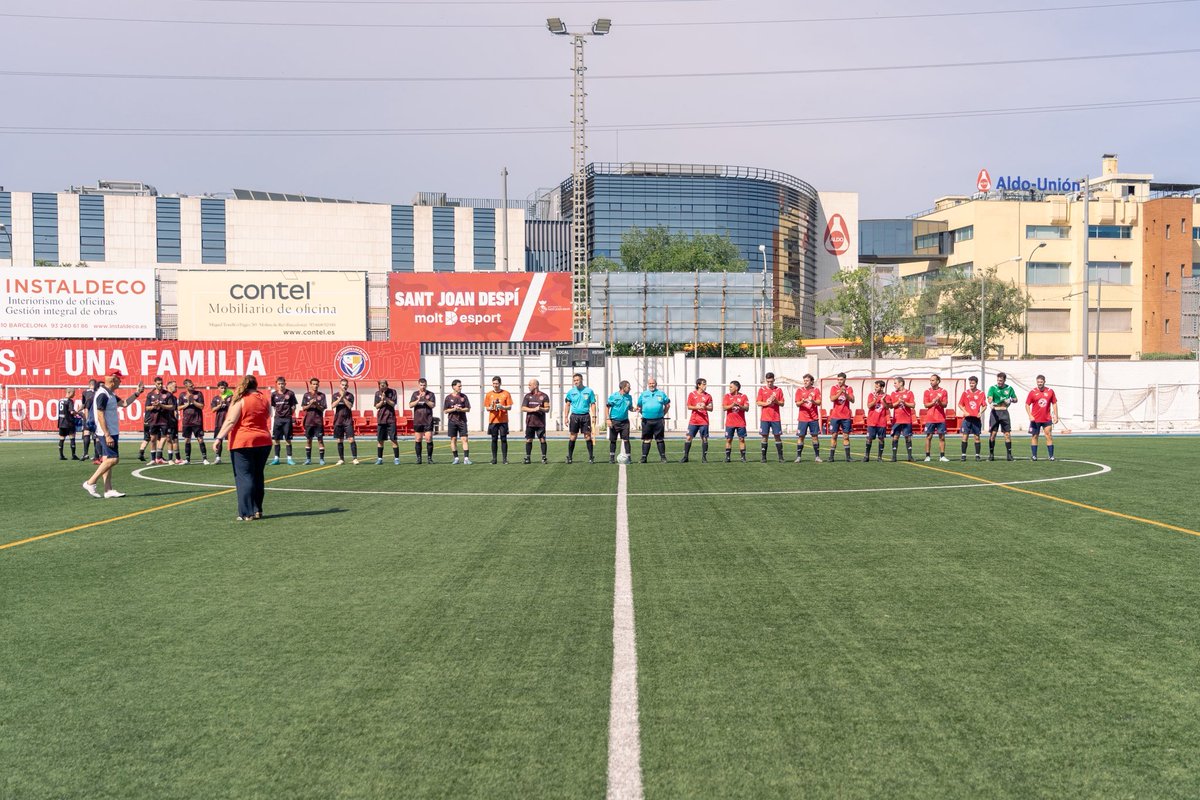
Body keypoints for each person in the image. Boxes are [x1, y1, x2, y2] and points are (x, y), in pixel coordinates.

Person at [215, 374, 273, 521]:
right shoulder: (263, 398)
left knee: (244, 477)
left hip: (243, 441)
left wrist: (219, 438)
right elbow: (268, 415)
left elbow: (230, 421)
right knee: (258, 476)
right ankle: (257, 509)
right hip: (263, 441)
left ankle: (246, 512)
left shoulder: (240, 399)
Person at [82, 371, 144, 499]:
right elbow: (100, 414)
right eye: (119, 379)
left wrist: (137, 393)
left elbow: (125, 403)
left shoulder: (110, 394)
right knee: (113, 459)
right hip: (107, 432)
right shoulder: (103, 394)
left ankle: (108, 489)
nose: (121, 382)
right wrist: (107, 434)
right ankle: (90, 482)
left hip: (112, 431)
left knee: (107, 459)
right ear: (113, 380)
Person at [636, 377, 671, 463]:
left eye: (653, 383)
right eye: (650, 383)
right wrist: (643, 414)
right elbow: (639, 407)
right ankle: (644, 458)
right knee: (647, 439)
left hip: (658, 420)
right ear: (648, 384)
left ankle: (663, 458)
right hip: (646, 421)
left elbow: (667, 405)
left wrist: (663, 414)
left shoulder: (661, 394)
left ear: (656, 384)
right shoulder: (643, 394)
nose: (652, 385)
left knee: (659, 439)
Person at [564, 373, 597, 464]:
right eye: (574, 380)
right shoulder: (571, 392)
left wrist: (594, 416)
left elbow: (593, 404)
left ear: (581, 380)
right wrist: (566, 417)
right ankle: (569, 457)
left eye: (577, 380)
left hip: (585, 416)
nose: (576, 382)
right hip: (574, 416)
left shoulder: (589, 391)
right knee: (573, 436)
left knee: (587, 436)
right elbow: (567, 405)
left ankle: (591, 457)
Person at [1025, 374, 1060, 461]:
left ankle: (1051, 456)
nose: (1039, 383)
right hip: (1035, 419)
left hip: (1047, 418)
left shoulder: (1050, 391)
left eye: (1041, 382)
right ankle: (1034, 456)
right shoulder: (1032, 392)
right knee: (1034, 436)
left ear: (1044, 382)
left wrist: (1056, 415)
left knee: (1048, 435)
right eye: (1038, 382)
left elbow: (1054, 403)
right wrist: (1030, 415)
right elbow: (1027, 404)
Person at [987, 371, 1018, 461]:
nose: (999, 382)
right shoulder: (993, 388)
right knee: (993, 434)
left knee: (1007, 434)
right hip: (995, 413)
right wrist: (991, 403)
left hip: (1004, 412)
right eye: (998, 380)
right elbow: (989, 398)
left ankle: (1009, 455)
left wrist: (1011, 400)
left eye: (1001, 380)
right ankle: (991, 454)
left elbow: (1016, 399)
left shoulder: (1009, 388)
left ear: (1004, 380)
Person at [178, 379, 210, 465]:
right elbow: (178, 407)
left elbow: (202, 406)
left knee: (200, 439)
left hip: (197, 421)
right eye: (191, 386)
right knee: (187, 440)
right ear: (186, 386)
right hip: (186, 422)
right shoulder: (182, 395)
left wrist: (193, 402)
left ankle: (205, 459)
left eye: (193, 385)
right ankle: (187, 459)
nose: (193, 386)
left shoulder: (198, 394)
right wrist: (187, 404)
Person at [681, 378, 713, 463]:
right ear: (698, 385)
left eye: (705, 384)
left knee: (704, 439)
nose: (705, 386)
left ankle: (704, 457)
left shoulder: (708, 396)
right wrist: (697, 407)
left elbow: (711, 408)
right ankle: (685, 457)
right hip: (694, 420)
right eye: (703, 384)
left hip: (704, 421)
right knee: (688, 437)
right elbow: (689, 406)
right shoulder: (692, 394)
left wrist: (705, 407)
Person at [756, 372, 786, 462]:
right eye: (768, 381)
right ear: (766, 380)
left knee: (777, 437)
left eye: (771, 381)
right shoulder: (762, 390)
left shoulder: (778, 390)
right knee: (764, 437)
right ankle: (763, 457)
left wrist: (776, 400)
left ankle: (780, 457)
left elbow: (782, 403)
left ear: (774, 380)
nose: (769, 383)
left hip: (775, 418)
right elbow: (758, 402)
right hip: (765, 418)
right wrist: (767, 403)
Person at [793, 373, 823, 463]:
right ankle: (798, 457)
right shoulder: (799, 390)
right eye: (804, 380)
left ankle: (817, 456)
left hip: (813, 418)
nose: (805, 382)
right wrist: (803, 401)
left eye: (807, 381)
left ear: (811, 382)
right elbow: (797, 404)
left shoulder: (816, 390)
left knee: (815, 437)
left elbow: (819, 402)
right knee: (801, 437)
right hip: (803, 418)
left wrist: (812, 400)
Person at [484, 376, 513, 465]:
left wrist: (503, 407)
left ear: (500, 383)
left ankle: (504, 459)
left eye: (497, 383)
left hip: (503, 420)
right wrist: (492, 407)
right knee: (494, 439)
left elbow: (510, 407)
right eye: (494, 383)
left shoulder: (506, 393)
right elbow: (487, 408)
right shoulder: (489, 394)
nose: (495, 385)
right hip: (493, 420)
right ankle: (494, 459)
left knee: (504, 439)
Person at [270, 376, 298, 466]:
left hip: (287, 419)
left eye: (282, 384)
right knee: (276, 439)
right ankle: (276, 458)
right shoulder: (274, 394)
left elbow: (294, 406)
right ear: (276, 384)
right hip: (277, 419)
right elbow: (274, 406)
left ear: (285, 384)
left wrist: (289, 413)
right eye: (279, 384)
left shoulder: (290, 393)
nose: (281, 385)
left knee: (288, 439)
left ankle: (289, 458)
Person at [887, 376, 916, 462]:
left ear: (901, 383)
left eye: (895, 383)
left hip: (907, 419)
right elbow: (891, 406)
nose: (894, 385)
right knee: (895, 437)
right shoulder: (893, 393)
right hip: (897, 420)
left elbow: (913, 405)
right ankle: (894, 456)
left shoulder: (909, 393)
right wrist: (898, 402)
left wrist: (904, 402)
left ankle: (910, 456)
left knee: (908, 437)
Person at [521, 379, 551, 464]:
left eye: (530, 385)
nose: (528, 386)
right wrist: (534, 409)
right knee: (529, 440)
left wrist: (540, 408)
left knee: (542, 439)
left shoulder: (544, 396)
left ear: (535, 385)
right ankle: (528, 458)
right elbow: (523, 408)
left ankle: (544, 458)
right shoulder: (527, 396)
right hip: (530, 422)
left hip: (540, 423)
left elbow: (547, 409)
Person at [331, 378, 359, 465]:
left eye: (346, 385)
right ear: (340, 385)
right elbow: (333, 405)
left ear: (348, 386)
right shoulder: (335, 395)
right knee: (339, 440)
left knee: (351, 439)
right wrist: (340, 398)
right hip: (338, 421)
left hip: (348, 421)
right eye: (343, 385)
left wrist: (343, 397)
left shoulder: (350, 395)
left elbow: (350, 406)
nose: (344, 386)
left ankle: (355, 458)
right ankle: (341, 459)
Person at [827, 372, 855, 462]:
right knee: (834, 435)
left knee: (846, 436)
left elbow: (852, 400)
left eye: (841, 379)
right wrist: (840, 392)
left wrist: (845, 393)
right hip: (835, 416)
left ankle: (848, 457)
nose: (839, 381)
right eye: (838, 379)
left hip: (846, 416)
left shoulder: (849, 388)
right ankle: (831, 457)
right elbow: (832, 399)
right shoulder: (834, 388)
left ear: (844, 380)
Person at [443, 379, 472, 464]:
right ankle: (456, 458)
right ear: (453, 386)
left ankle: (466, 458)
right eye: (459, 386)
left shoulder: (464, 397)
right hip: (452, 421)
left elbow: (468, 409)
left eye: (461, 386)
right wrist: (453, 409)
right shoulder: (448, 398)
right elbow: (445, 411)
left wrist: (461, 409)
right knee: (453, 439)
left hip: (462, 421)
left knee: (464, 439)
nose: (460, 387)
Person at [409, 378, 437, 464]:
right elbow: (410, 405)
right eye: (421, 385)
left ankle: (429, 458)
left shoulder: (431, 394)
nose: (423, 387)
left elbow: (432, 405)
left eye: (424, 385)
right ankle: (419, 458)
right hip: (418, 420)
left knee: (428, 438)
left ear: (426, 385)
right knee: (418, 439)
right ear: (418, 385)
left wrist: (425, 399)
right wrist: (418, 400)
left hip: (428, 420)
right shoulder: (415, 394)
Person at [958, 376, 987, 462]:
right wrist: (964, 411)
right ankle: (963, 455)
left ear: (976, 383)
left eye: (973, 383)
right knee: (964, 437)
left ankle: (977, 455)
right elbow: (960, 404)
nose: (971, 384)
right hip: (967, 419)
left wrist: (980, 413)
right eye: (970, 383)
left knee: (977, 437)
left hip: (976, 419)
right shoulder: (965, 393)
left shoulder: (981, 393)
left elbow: (985, 405)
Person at [922, 374, 950, 462]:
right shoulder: (927, 391)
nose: (931, 382)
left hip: (940, 418)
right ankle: (927, 456)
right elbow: (926, 405)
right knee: (929, 436)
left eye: (933, 380)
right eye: (930, 380)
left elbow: (945, 405)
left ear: (938, 381)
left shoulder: (943, 391)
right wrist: (933, 402)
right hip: (930, 418)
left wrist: (939, 402)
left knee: (942, 437)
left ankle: (942, 456)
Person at [300, 377, 327, 465]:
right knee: (308, 440)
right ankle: (308, 459)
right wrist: (310, 403)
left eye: (316, 384)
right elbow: (304, 408)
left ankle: (322, 459)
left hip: (318, 421)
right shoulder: (306, 395)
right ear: (310, 385)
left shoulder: (322, 395)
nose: (315, 386)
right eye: (313, 384)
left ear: (318, 385)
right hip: (309, 421)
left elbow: (322, 409)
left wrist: (316, 404)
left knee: (320, 440)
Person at [143, 376, 170, 465]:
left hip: (164, 420)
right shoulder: (150, 394)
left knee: (165, 437)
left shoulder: (167, 394)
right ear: (155, 384)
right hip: (153, 420)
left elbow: (172, 407)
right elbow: (147, 407)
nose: (161, 385)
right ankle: (153, 459)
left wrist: (161, 405)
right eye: (158, 384)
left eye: (161, 383)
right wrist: (154, 406)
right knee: (153, 439)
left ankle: (159, 456)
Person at [606, 380, 634, 463]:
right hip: (614, 421)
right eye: (628, 387)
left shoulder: (629, 397)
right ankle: (611, 458)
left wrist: (634, 409)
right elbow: (607, 407)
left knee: (626, 440)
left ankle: (629, 458)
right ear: (623, 387)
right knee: (613, 440)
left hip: (625, 422)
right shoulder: (614, 396)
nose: (630, 388)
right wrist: (608, 419)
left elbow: (630, 408)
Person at [374, 379, 401, 465]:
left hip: (390, 419)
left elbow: (393, 404)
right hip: (381, 420)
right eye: (381, 385)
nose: (382, 386)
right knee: (380, 440)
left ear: (387, 385)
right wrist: (382, 401)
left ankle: (396, 459)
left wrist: (386, 398)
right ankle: (380, 459)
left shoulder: (393, 392)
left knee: (393, 439)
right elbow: (377, 406)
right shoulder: (377, 393)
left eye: (384, 384)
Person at [723, 380, 750, 462]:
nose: (729, 388)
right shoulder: (727, 396)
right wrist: (732, 405)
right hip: (730, 422)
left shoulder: (744, 396)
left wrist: (739, 406)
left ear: (736, 388)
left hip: (740, 423)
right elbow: (724, 407)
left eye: (731, 387)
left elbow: (747, 408)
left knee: (742, 439)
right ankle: (727, 457)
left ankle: (743, 457)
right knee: (729, 439)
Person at [863, 379, 889, 462]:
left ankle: (879, 457)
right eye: (875, 386)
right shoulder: (871, 395)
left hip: (881, 421)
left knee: (881, 438)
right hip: (872, 421)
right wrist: (875, 400)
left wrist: (883, 400)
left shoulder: (886, 396)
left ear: (881, 387)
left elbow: (887, 407)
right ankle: (866, 456)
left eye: (877, 387)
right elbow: (869, 406)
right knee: (869, 438)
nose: (875, 388)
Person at [56, 387, 81, 461]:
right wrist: (77, 412)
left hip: (61, 422)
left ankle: (61, 455)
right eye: (73, 393)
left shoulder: (60, 400)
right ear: (69, 393)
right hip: (69, 422)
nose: (74, 395)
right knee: (72, 437)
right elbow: (71, 412)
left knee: (62, 438)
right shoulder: (70, 401)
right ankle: (73, 455)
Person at [210, 380, 232, 465]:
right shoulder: (216, 398)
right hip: (219, 422)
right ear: (218, 388)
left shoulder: (231, 396)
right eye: (222, 388)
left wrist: (227, 403)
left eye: (225, 388)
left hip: (229, 421)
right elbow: (213, 410)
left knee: (231, 440)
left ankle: (233, 457)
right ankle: (218, 458)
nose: (223, 389)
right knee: (219, 440)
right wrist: (219, 405)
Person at [163, 379, 182, 464]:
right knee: (169, 439)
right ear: (169, 387)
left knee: (174, 439)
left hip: (172, 421)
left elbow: (175, 409)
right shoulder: (166, 396)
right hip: (167, 421)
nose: (176, 388)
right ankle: (170, 459)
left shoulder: (174, 397)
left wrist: (176, 418)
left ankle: (178, 458)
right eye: (175, 386)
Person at [80, 379, 98, 462]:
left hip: (88, 416)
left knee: (86, 433)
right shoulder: (98, 393)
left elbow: (84, 406)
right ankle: (96, 455)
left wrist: (78, 411)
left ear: (89, 385)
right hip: (96, 417)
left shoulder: (85, 393)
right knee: (95, 435)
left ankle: (85, 453)